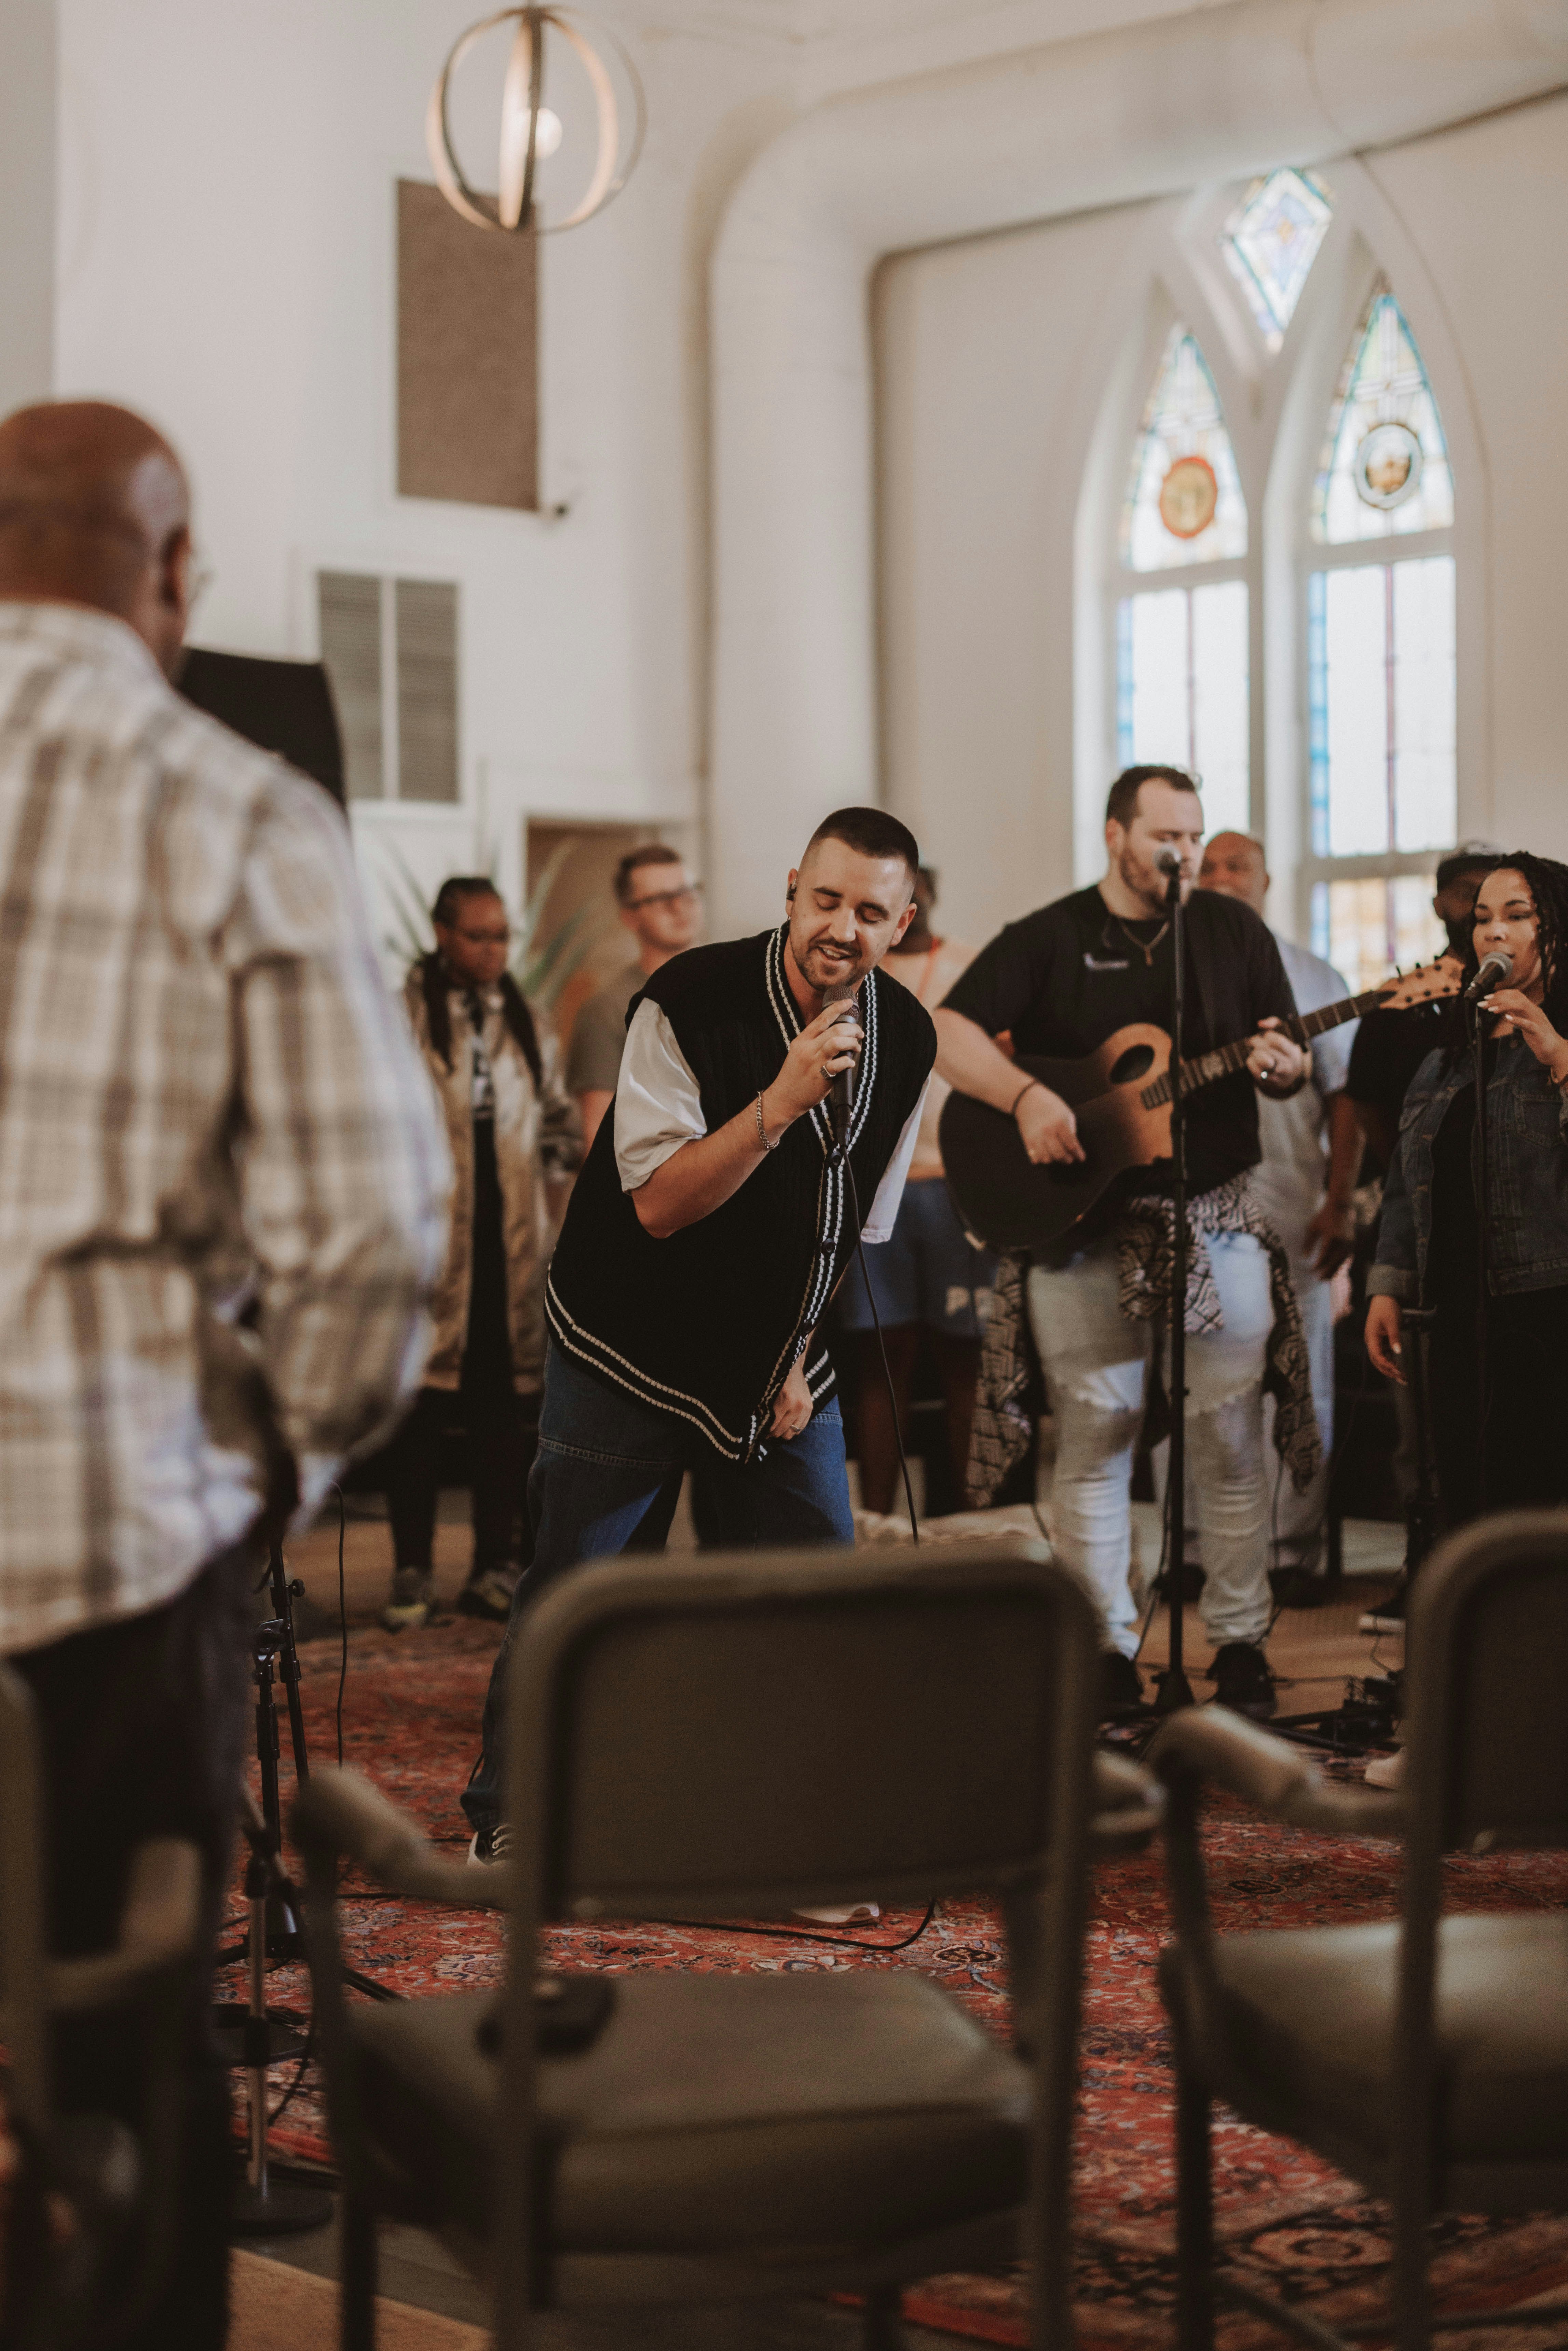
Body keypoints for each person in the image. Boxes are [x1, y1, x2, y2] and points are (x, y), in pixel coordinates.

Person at [0, 400, 447, 2348]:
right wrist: (270, 1463)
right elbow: (373, 1238)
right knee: (128, 2040)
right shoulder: (237, 804)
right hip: (106, 1547)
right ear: (170, 572)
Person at [463, 806, 935, 1862]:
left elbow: (850, 1221)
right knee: (578, 1589)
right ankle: (510, 1816)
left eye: (869, 911)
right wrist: (776, 1101)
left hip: (778, 1358)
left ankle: (806, 1826)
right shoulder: (685, 1000)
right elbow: (658, 1206)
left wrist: (795, 1355)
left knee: (816, 1590)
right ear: (788, 891)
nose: (841, 928)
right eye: (824, 900)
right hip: (629, 1341)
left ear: (899, 923)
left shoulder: (908, 1035)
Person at [935, 767, 1316, 1722]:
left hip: (1215, 1215)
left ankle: (1237, 1646)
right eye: (1163, 835)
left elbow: (1282, 1057)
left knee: (1228, 1440)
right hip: (1079, 1223)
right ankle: (1104, 1649)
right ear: (1114, 835)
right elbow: (946, 1028)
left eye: (1192, 835)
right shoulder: (1049, 936)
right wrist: (1023, 1096)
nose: (1181, 852)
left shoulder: (1233, 931)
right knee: (1095, 1438)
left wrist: (1287, 1066)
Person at [382, 877, 581, 1631]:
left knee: (503, 1412)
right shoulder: (400, 1013)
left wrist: (554, 1195)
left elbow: (558, 1118)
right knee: (420, 1409)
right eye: (478, 936)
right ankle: (411, 1567)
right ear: (442, 933)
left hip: (511, 1244)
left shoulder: (524, 1016)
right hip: (431, 1240)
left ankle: (494, 1565)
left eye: (502, 936)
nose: (494, 950)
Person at [1366, 854, 1568, 1536]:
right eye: (1481, 918)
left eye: (1516, 915)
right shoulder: (1445, 1058)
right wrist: (1386, 1285)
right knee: (1466, 1492)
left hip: (1546, 1310)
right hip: (1456, 1311)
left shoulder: (1558, 1043)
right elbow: (1404, 1179)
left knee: (1537, 1497)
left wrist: (1559, 1059)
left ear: (1554, 929)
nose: (1493, 934)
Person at [1198, 831, 1359, 1604]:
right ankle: (1197, 1546)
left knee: (1299, 1378)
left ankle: (1289, 1548)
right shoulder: (1169, 973)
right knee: (1196, 1376)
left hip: (1292, 1203)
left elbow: (1345, 1099)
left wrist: (1337, 1202)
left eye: (1238, 867)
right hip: (1194, 1206)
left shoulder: (1311, 973)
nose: (1223, 877)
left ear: (1264, 882)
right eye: (1210, 866)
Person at [837, 866, 996, 1514]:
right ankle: (875, 1519)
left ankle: (959, 1520)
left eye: (918, 893)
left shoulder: (969, 966)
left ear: (924, 898)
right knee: (881, 1359)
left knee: (965, 1360)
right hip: (875, 1193)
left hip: (956, 1189)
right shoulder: (855, 974)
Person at [1344, 851, 1496, 1175]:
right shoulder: (1394, 1003)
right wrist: (1401, 1173)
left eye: (1492, 894)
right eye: (1468, 893)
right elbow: (1365, 1101)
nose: (1479, 908)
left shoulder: (1540, 996)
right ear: (1438, 904)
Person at [566, 842, 702, 1151]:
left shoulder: (731, 987)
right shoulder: (607, 1009)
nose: (679, 907)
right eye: (661, 899)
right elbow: (598, 1133)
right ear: (630, 917)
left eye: (687, 892)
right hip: (656, 1187)